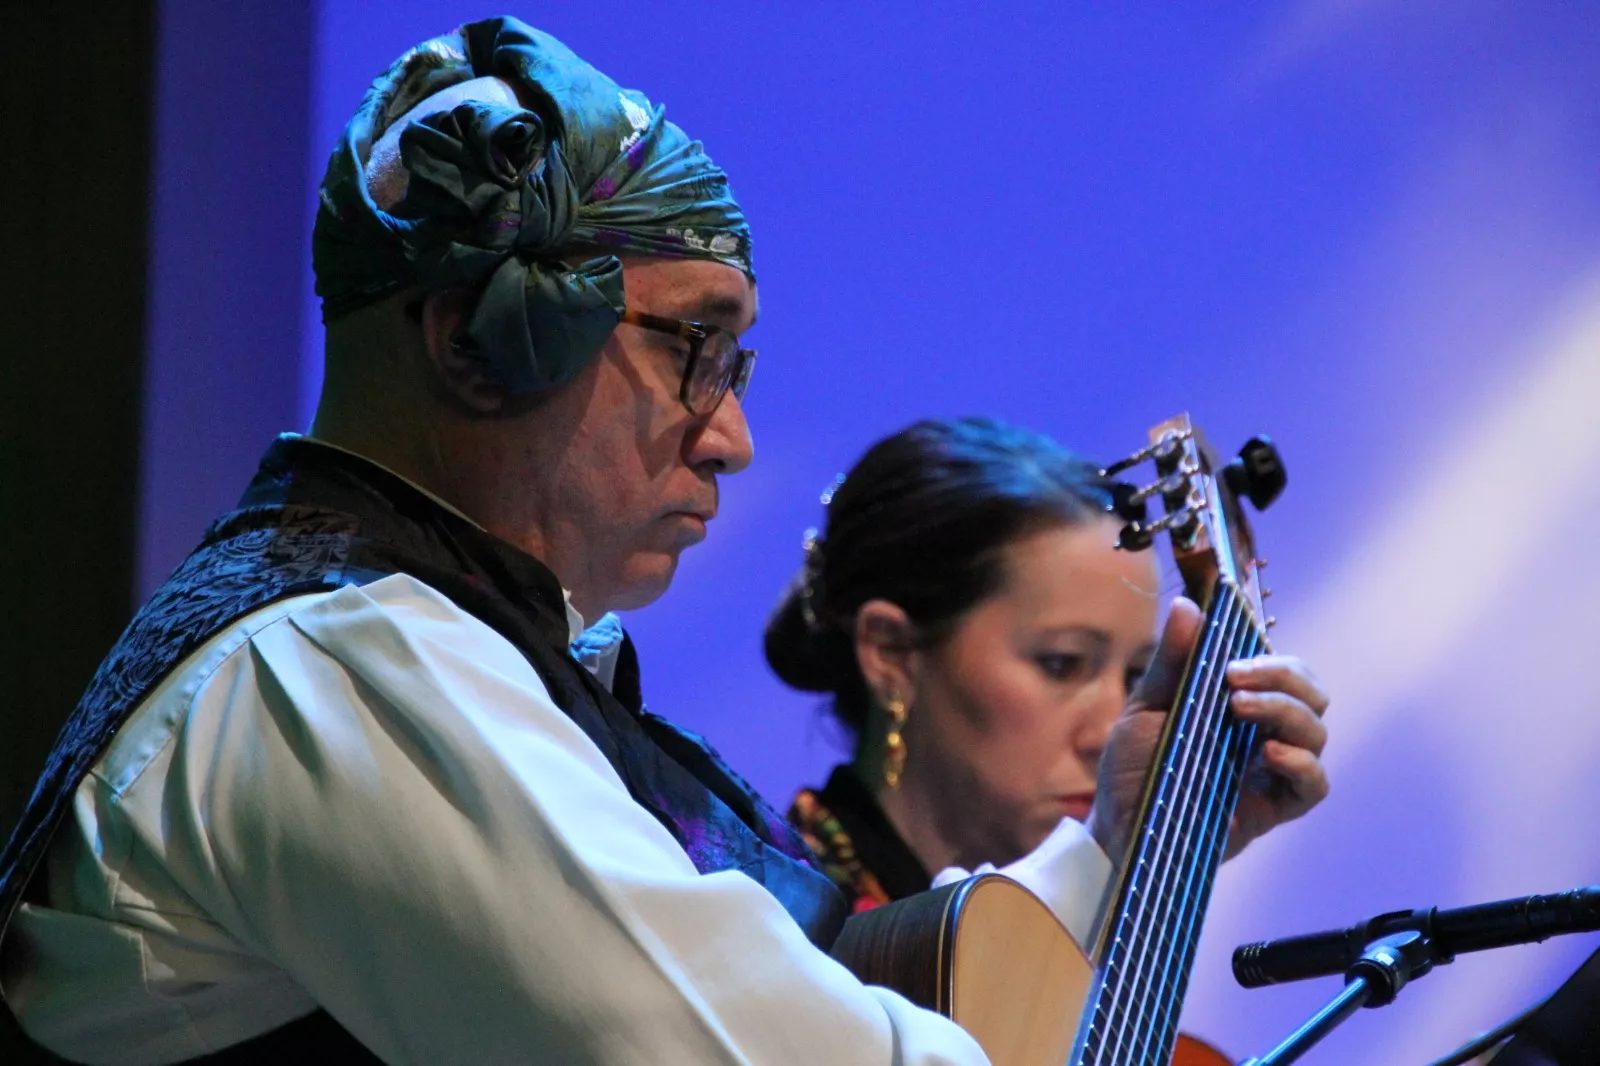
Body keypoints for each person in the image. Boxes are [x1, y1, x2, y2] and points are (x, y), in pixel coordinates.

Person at [0, 17, 1328, 1066]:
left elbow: (833, 997)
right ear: (473, 337)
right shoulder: (340, 668)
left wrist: (1129, 841)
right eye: (696, 347)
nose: (734, 435)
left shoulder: (390, 654)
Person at [773, 417, 1330, 938]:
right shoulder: (779, 928)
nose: (1111, 733)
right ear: (890, 653)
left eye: (1138, 674)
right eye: (1061, 663)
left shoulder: (1061, 942)